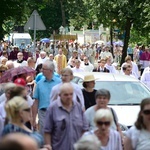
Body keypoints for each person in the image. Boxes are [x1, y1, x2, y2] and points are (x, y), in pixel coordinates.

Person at [44, 83, 89, 150]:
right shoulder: (52, 108)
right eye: (66, 95)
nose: (69, 97)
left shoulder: (78, 107)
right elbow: (47, 131)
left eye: (71, 94)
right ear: (59, 95)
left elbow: (85, 129)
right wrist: (48, 146)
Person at [32, 60, 61, 135]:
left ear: (50, 70)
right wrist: (33, 119)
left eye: (44, 69)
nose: (42, 70)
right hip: (43, 113)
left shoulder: (60, 83)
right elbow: (36, 101)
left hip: (57, 113)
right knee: (44, 135)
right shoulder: (39, 83)